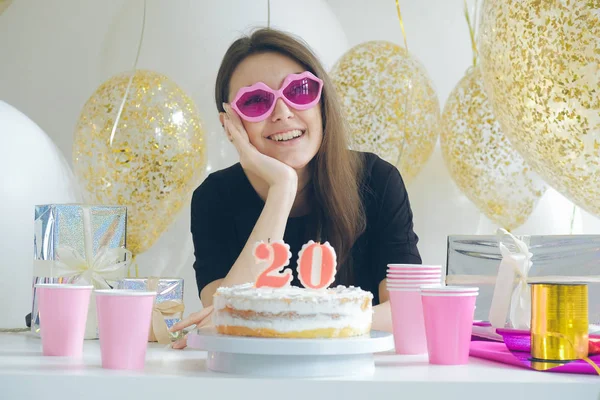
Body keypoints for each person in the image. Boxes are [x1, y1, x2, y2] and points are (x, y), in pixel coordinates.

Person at [170, 27, 421, 348]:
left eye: (299, 90)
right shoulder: (214, 197)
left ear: (322, 102)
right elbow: (223, 317)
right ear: (230, 125)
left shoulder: (376, 180)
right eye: (256, 101)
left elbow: (408, 312)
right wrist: (282, 189)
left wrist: (296, 321)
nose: (283, 112)